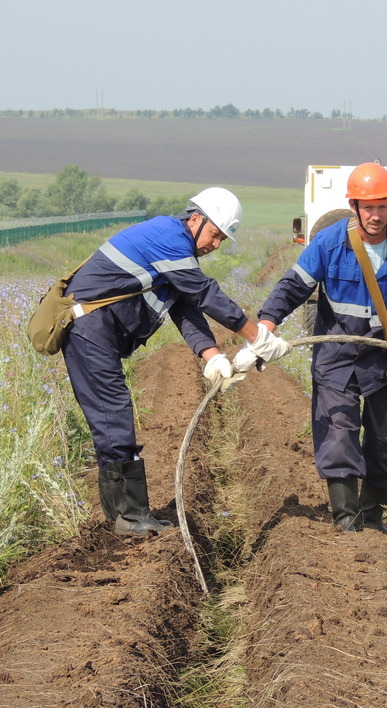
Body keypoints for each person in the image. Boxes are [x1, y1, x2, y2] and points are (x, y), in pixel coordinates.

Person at [241, 163, 387, 538]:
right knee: (338, 430)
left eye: (381, 207)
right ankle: (346, 518)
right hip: (337, 353)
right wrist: (266, 326)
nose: (375, 216)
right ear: (355, 207)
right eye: (367, 207)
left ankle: (373, 516)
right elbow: (291, 289)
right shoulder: (328, 244)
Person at [62, 187, 292, 537]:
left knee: (111, 418)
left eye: (222, 239)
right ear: (196, 219)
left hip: (96, 332)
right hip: (89, 330)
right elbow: (203, 293)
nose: (216, 245)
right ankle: (131, 517)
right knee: (114, 415)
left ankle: (121, 515)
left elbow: (185, 306)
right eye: (215, 234)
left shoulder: (173, 245)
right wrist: (254, 334)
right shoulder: (167, 237)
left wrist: (211, 354)